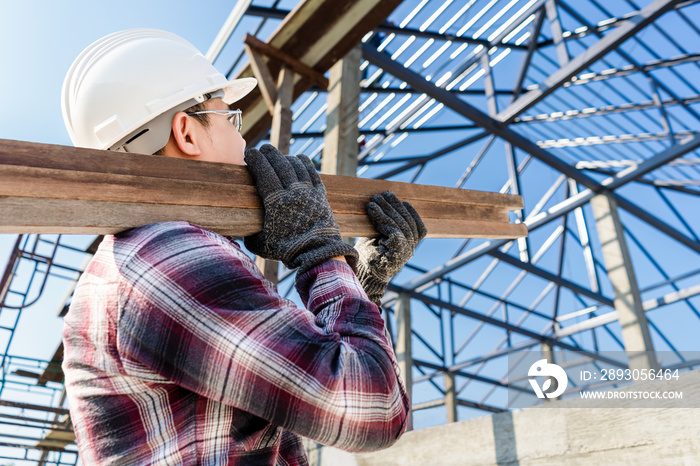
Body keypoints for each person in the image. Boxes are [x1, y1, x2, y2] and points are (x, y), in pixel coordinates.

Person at [60, 28, 426, 465]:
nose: (244, 141)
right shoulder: (167, 258)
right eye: (231, 119)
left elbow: (303, 379)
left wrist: (361, 287)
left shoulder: (139, 257)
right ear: (187, 133)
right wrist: (321, 252)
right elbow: (373, 409)